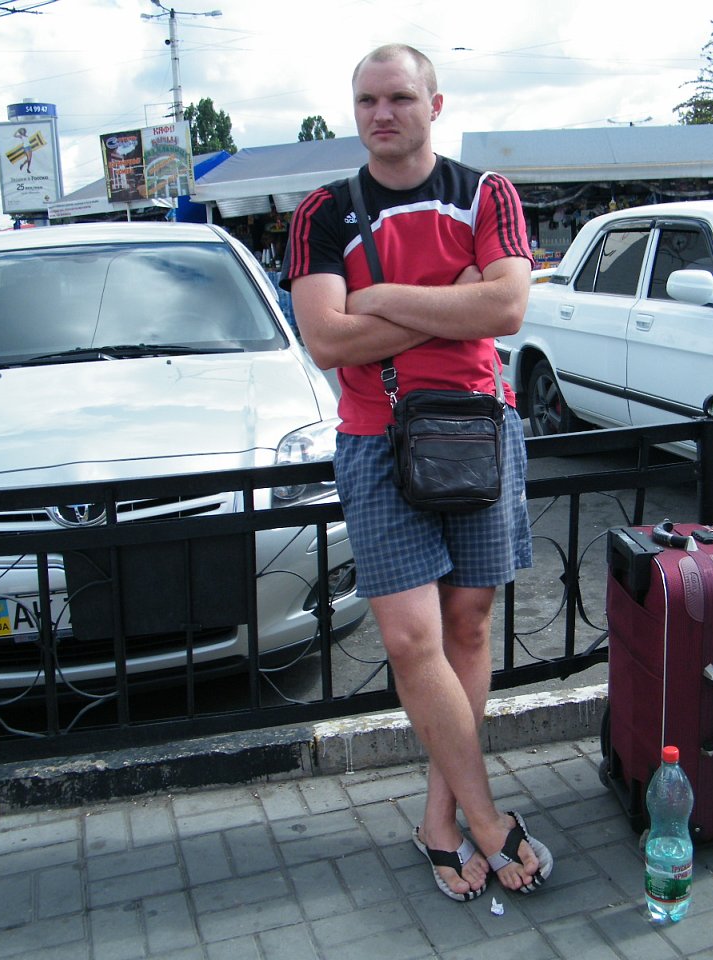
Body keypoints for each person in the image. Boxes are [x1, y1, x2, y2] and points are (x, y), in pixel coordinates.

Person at [284, 43, 551, 901]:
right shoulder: (324, 212)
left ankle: (440, 818)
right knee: (410, 639)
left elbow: (507, 306)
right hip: (376, 439)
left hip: (478, 431)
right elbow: (327, 340)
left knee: (466, 627)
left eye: (399, 97)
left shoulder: (485, 193)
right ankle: (487, 818)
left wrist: (380, 299)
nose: (382, 114)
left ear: (435, 105)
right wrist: (451, 302)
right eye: (367, 100)